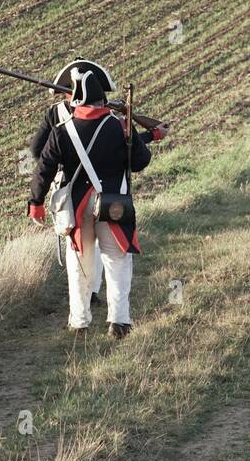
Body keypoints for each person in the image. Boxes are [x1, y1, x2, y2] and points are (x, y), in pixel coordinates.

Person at [28, 61, 168, 337]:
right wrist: (131, 134)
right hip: (114, 204)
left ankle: (79, 321)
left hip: (78, 207)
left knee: (79, 263)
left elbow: (42, 167)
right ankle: (119, 322)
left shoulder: (62, 131)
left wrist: (36, 203)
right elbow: (141, 162)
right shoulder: (118, 126)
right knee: (117, 261)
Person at [29, 59, 104, 308]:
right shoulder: (107, 112)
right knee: (103, 244)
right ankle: (93, 291)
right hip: (104, 187)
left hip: (70, 186)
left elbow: (38, 151)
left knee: (78, 244)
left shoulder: (55, 114)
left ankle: (80, 305)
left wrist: (59, 161)